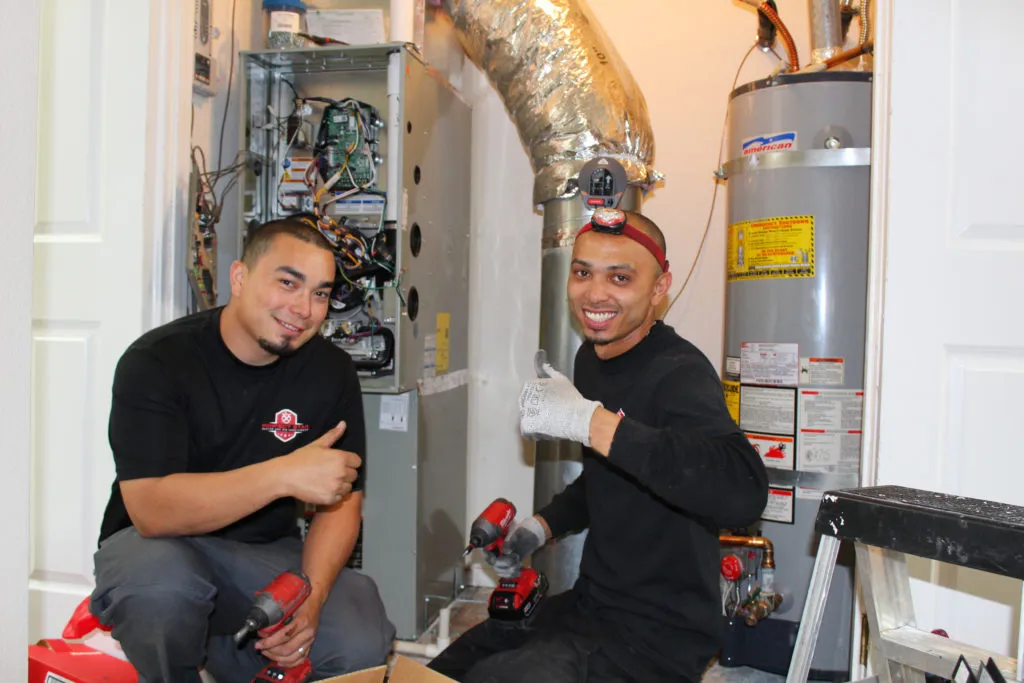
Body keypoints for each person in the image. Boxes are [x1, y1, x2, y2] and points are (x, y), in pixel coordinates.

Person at [429, 210, 769, 683]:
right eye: (583, 272)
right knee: (447, 668)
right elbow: (611, 479)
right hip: (594, 605)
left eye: (621, 278)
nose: (595, 293)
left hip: (661, 638)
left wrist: (590, 422)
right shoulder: (592, 358)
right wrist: (540, 527)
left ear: (659, 286)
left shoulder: (678, 373)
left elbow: (744, 490)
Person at [90, 216, 396, 683]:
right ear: (239, 277)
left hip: (259, 554)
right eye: (288, 283)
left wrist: (307, 605)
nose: (303, 308)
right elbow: (151, 509)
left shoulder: (330, 372)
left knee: (360, 636)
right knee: (164, 591)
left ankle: (225, 650)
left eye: (319, 293)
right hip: (154, 546)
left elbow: (343, 502)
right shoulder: (158, 361)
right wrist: (283, 474)